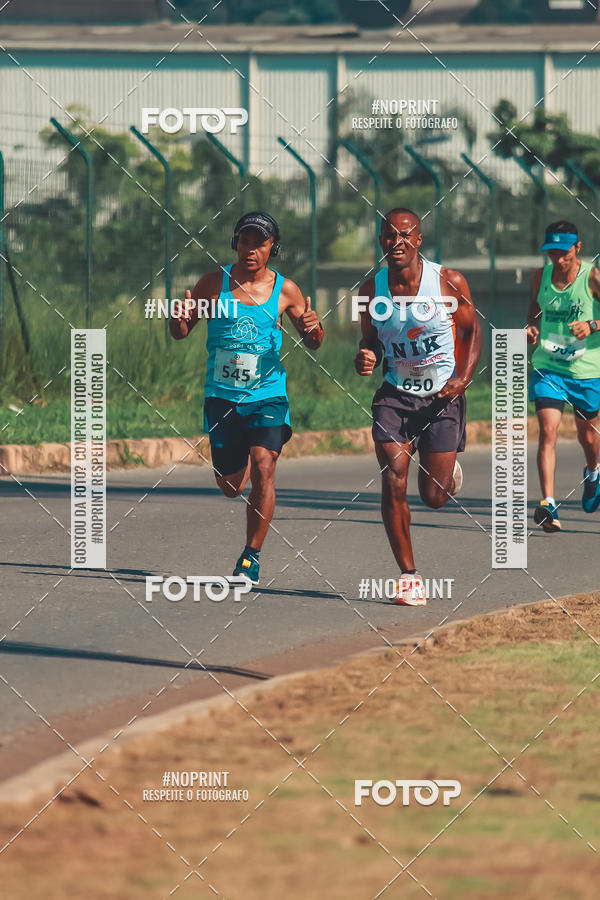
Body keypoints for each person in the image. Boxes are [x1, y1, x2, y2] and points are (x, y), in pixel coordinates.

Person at [170, 211, 324, 584]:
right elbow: (181, 331)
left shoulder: (287, 290)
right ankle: (231, 480)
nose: (251, 249)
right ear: (235, 243)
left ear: (273, 248)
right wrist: (178, 318)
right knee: (229, 486)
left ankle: (250, 557)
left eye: (260, 242)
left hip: (268, 396)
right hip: (222, 398)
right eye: (245, 240)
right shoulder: (212, 283)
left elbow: (314, 340)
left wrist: (313, 329)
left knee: (264, 466)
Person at [355, 208, 481, 605]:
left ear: (419, 240)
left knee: (434, 496)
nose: (398, 243)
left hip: (442, 395)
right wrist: (367, 354)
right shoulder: (371, 290)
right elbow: (370, 339)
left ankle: (446, 473)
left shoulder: (447, 281)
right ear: (381, 241)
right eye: (390, 236)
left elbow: (472, 330)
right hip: (395, 394)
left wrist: (462, 379)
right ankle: (409, 578)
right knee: (394, 476)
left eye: (405, 235)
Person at [527, 220, 600, 532]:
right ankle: (548, 503)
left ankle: (594, 473)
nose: (558, 260)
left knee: (588, 438)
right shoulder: (540, 277)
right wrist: (530, 327)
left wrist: (592, 325)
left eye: (564, 253)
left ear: (578, 248)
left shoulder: (593, 277)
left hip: (587, 371)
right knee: (548, 430)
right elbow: (535, 309)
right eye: (552, 253)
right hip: (549, 366)